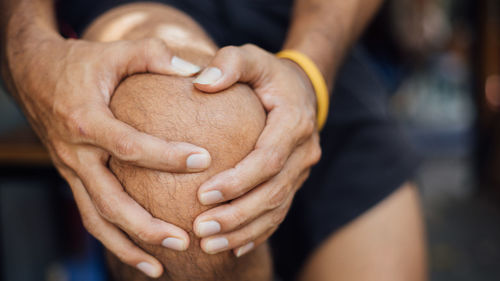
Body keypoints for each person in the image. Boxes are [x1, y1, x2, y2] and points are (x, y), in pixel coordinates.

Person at [0, 0, 427, 280]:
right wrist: (27, 51)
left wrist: (308, 71)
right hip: (130, 5)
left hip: (301, 21)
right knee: (189, 162)